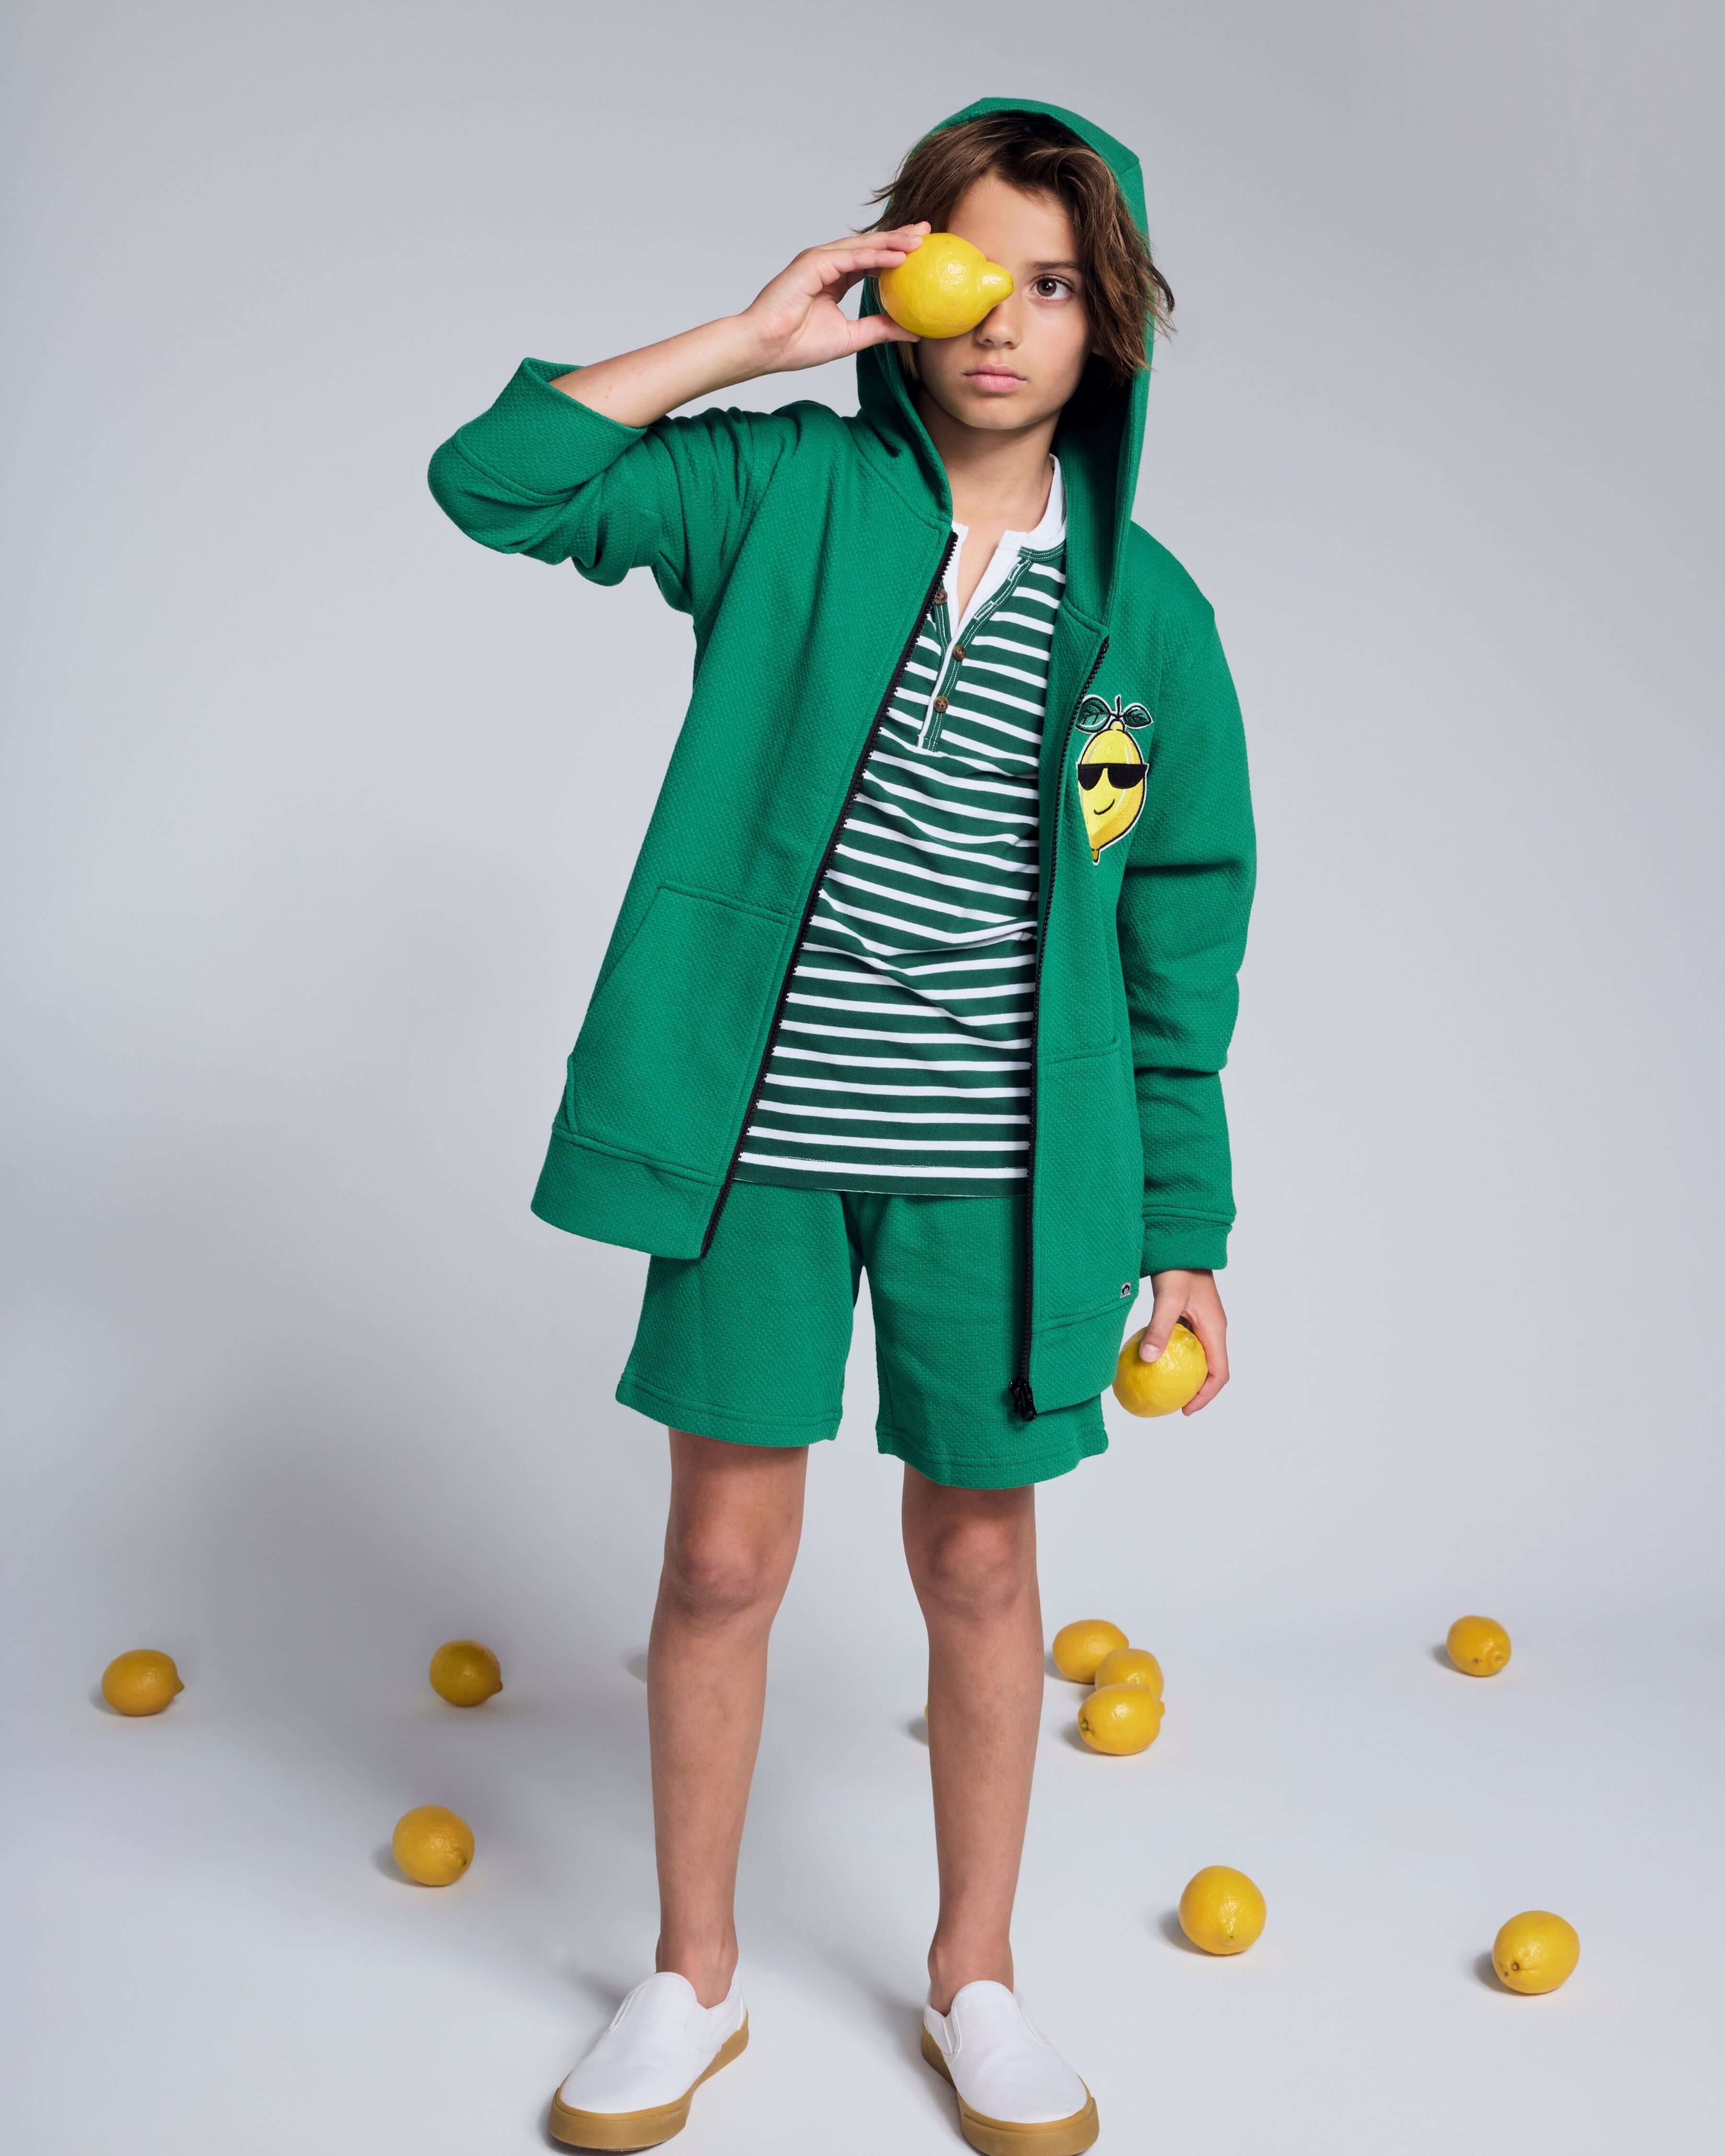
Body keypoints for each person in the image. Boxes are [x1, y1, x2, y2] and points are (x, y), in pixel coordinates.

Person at [427, 95, 1254, 2156]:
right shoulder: (784, 493)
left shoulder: (1148, 617)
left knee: (980, 1561)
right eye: (975, 271)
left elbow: (1178, 948)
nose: (1008, 321)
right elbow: (497, 480)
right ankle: (692, 1976)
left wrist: (1186, 1230)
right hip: (764, 1147)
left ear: (1110, 324)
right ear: (905, 279)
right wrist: (750, 335)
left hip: (1009, 1172)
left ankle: (977, 1975)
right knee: (722, 1558)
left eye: (1056, 285)